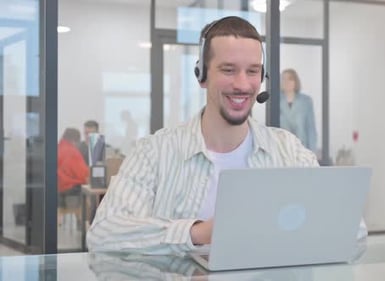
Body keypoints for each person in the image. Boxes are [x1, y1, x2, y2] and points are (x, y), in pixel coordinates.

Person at [87, 16, 365, 255]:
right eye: (228, 70)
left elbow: (354, 230)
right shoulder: (154, 151)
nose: (242, 84)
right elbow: (103, 234)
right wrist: (199, 233)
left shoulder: (287, 150)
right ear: (202, 74)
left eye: (252, 71)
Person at [280, 68, 318, 152]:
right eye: (283, 79)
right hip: (282, 150)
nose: (286, 82)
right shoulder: (276, 101)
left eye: (290, 79)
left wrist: (312, 153)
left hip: (302, 149)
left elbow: (311, 129)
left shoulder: (306, 101)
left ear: (295, 82)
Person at [57, 128, 89, 218]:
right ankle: (84, 224)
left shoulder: (58, 148)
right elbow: (83, 174)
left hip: (59, 189)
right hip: (70, 190)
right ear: (75, 141)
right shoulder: (72, 152)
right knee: (91, 195)